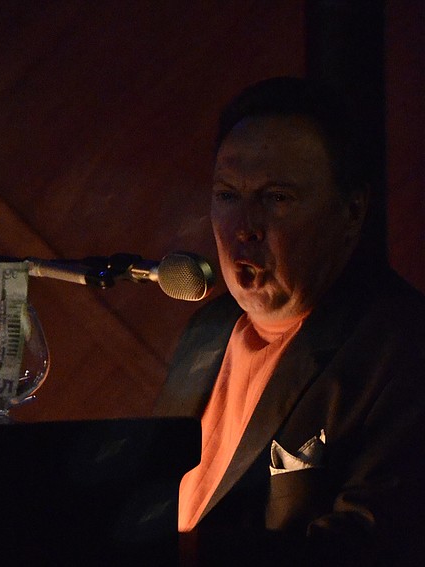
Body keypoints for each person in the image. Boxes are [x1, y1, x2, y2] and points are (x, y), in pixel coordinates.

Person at [154, 76, 425, 565]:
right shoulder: (205, 333)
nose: (243, 228)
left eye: (276, 198)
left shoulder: (403, 348)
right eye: (227, 196)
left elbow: (368, 546)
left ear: (351, 210)